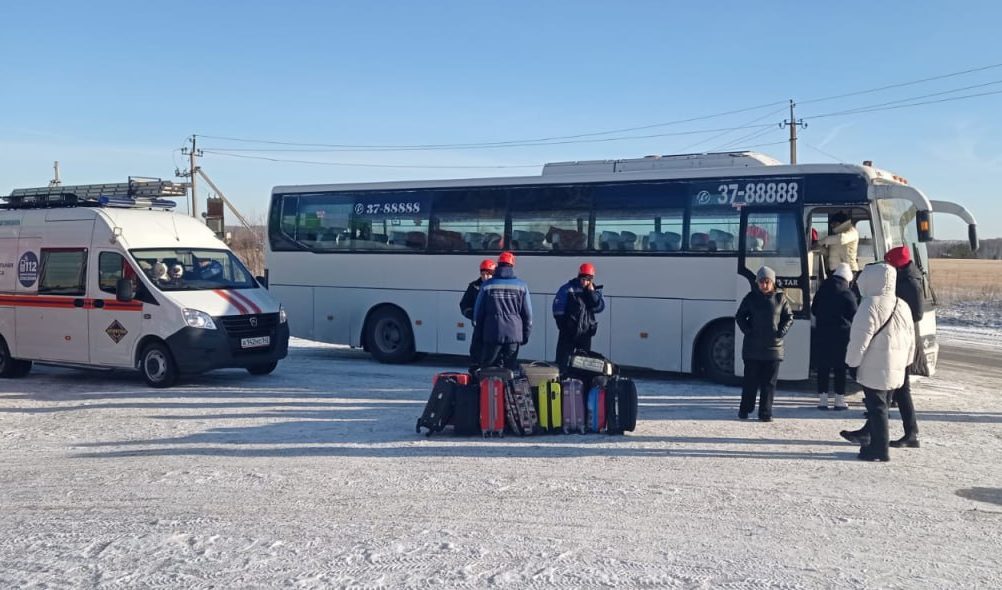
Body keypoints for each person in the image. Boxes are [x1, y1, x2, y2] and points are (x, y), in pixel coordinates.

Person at [839, 262, 916, 462]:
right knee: (883, 404)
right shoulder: (902, 304)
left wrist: (852, 363)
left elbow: (859, 340)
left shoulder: (870, 305)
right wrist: (906, 362)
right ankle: (874, 442)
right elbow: (911, 339)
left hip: (874, 365)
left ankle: (879, 449)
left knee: (877, 407)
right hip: (897, 365)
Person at [735, 266, 794, 422]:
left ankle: (765, 413)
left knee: (769, 384)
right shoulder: (750, 298)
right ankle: (745, 409)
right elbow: (740, 316)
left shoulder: (780, 299)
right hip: (752, 348)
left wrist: (781, 332)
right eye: (761, 281)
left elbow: (789, 317)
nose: (764, 285)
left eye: (767, 281)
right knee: (750, 382)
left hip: (774, 349)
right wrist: (748, 331)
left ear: (773, 282)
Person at [883, 245, 924, 447]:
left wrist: (897, 311)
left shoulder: (910, 283)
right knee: (893, 386)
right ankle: (873, 429)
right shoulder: (906, 277)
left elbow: (917, 314)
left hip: (902, 339)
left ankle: (911, 433)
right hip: (899, 337)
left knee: (899, 387)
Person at [473, 251, 532, 371]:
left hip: (492, 333)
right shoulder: (521, 286)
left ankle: (489, 389)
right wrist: (525, 335)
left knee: (488, 368)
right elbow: (528, 315)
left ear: (498, 265)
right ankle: (507, 389)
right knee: (509, 369)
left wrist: (479, 333)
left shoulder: (487, 285)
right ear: (512, 265)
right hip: (514, 334)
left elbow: (478, 313)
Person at [811, 262, 858, 410]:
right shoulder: (847, 293)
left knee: (823, 367)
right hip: (841, 336)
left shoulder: (822, 290)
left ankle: (823, 400)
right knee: (839, 368)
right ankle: (839, 400)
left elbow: (814, 309)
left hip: (822, 334)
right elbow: (854, 314)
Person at [552, 262, 606, 368]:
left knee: (583, 364)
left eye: (588, 280)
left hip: (585, 333)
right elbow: (558, 310)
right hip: (568, 333)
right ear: (579, 277)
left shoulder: (594, 291)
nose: (585, 282)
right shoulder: (567, 289)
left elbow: (599, 307)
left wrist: (591, 293)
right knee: (562, 362)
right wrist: (564, 327)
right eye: (583, 279)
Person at [459, 259, 496, 369]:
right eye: (483, 274)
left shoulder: (497, 286)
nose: (485, 277)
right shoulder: (474, 286)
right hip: (479, 326)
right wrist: (472, 314)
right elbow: (464, 304)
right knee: (477, 352)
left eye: (488, 274)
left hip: (493, 327)